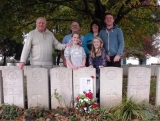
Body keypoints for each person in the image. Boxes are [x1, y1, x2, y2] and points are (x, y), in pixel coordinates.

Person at [89, 37, 107, 102]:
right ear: (93, 43)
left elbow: (104, 59)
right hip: (94, 71)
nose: (96, 43)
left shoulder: (102, 50)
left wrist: (103, 65)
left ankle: (99, 100)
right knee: (94, 86)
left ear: (100, 43)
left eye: (97, 42)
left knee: (99, 86)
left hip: (100, 71)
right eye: (94, 42)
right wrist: (91, 65)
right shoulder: (92, 51)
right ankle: (94, 100)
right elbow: (90, 60)